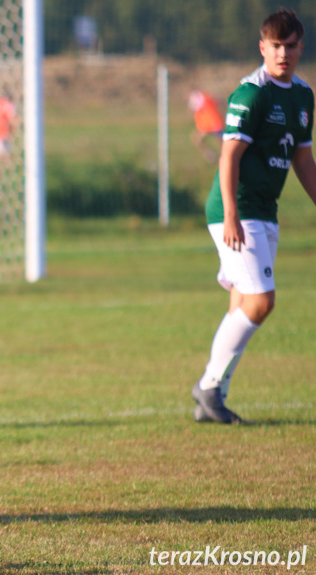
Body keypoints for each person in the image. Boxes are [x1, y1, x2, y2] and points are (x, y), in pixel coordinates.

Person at [191, 8, 316, 424]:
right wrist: (231, 215)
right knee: (262, 302)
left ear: (301, 47)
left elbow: (304, 160)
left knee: (243, 304)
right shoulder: (251, 93)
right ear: (262, 47)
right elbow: (229, 157)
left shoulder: (303, 95)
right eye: (275, 46)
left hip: (266, 209)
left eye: (291, 46)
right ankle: (208, 387)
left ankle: (214, 398)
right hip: (238, 210)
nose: (283, 54)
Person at [188, 89, 224, 163]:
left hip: (215, 124)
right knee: (197, 139)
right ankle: (210, 155)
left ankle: (225, 157)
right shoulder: (201, 98)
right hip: (205, 125)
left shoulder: (204, 98)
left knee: (220, 143)